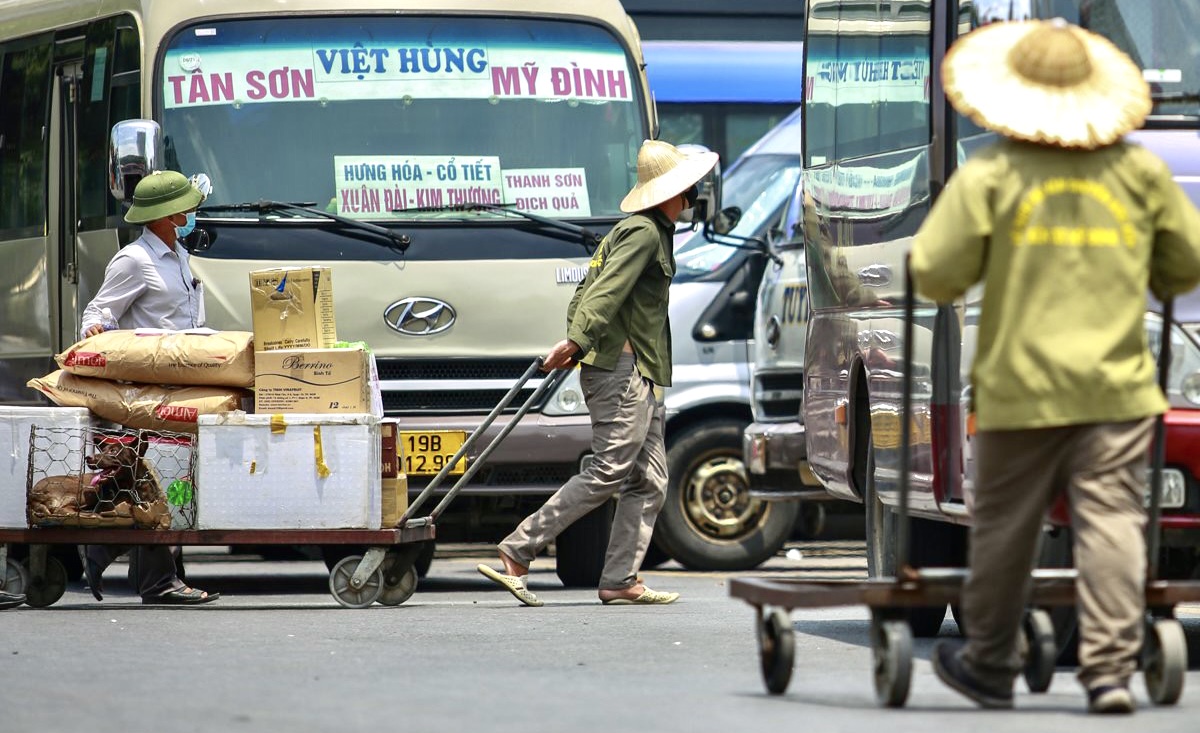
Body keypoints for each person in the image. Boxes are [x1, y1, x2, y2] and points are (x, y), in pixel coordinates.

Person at [910, 19, 1200, 714]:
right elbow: (1184, 264)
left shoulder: (994, 173)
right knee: (1111, 525)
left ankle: (989, 661)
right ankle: (1107, 674)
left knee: (1006, 526)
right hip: (1118, 388)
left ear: (1018, 98)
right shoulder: (1139, 172)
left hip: (1021, 389)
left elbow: (937, 271)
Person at [476, 139, 717, 607]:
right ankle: (517, 549)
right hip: (622, 373)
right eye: (687, 188)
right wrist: (579, 341)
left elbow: (586, 291)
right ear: (670, 192)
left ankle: (621, 579)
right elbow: (603, 293)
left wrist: (579, 338)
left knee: (649, 481)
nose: (692, 196)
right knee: (609, 471)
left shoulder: (643, 230)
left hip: (640, 371)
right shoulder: (644, 233)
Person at [78, 170, 219, 605]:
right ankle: (156, 580)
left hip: (178, 385)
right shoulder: (134, 260)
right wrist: (99, 332)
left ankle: (112, 553)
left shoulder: (177, 255)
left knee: (170, 482)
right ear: (167, 214)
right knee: (165, 479)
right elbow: (97, 312)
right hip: (147, 394)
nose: (193, 212)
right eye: (187, 206)